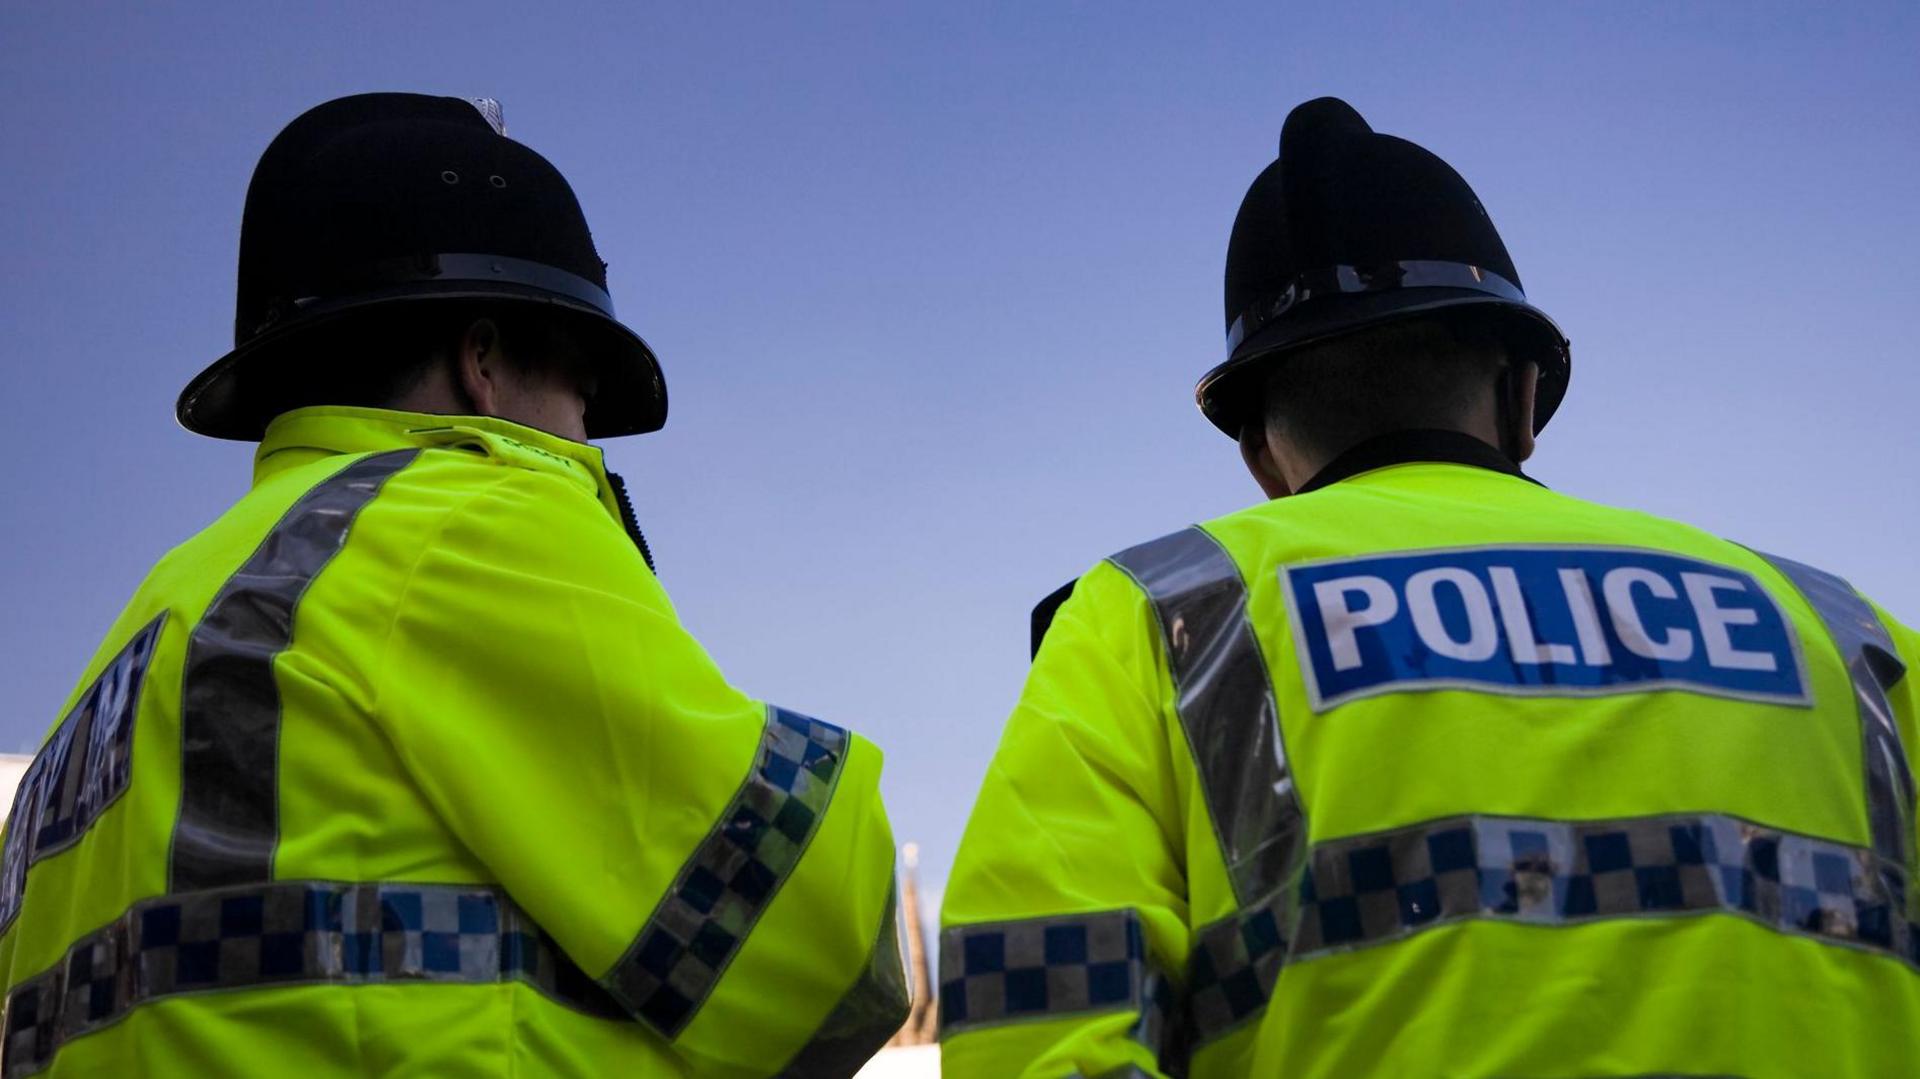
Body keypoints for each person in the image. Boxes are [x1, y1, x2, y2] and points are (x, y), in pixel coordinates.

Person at [938, 97, 1920, 1077]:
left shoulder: (1156, 616)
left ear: (1259, 454)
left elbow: (1037, 1026)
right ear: (1523, 394)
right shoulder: (1845, 633)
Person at [0, 93, 906, 1077]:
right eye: (581, 394)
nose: (585, 439)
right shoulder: (460, 519)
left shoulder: (131, 655)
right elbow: (828, 947)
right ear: (482, 362)